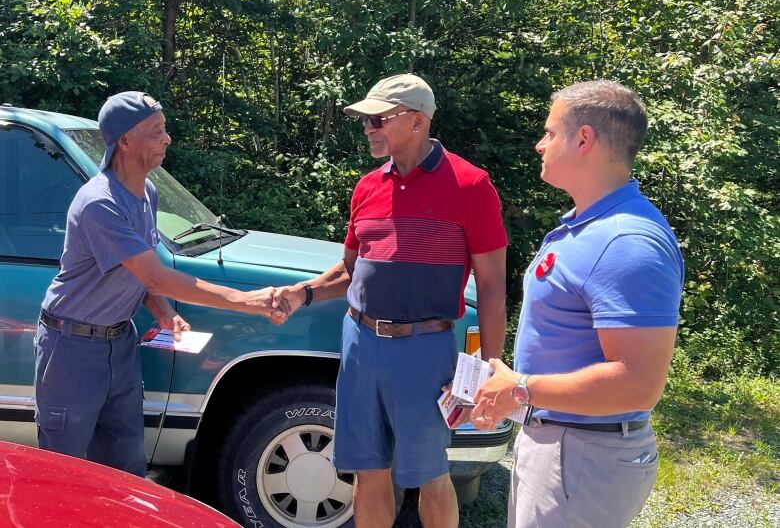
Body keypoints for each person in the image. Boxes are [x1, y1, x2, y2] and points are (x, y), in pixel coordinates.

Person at [271, 74, 508, 528]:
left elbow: (493, 286)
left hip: (425, 349)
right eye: (366, 119)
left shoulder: (471, 185)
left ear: (417, 121)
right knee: (368, 471)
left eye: (378, 118)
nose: (368, 127)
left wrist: (486, 372)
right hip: (360, 343)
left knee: (431, 476)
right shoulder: (367, 187)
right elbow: (351, 268)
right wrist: (302, 294)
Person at [35, 91, 287, 477]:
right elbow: (155, 274)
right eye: (156, 132)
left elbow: (142, 276)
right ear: (124, 141)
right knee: (63, 473)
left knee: (125, 469)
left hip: (118, 344)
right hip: (72, 349)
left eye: (164, 130)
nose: (167, 139)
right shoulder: (100, 203)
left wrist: (163, 311)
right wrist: (246, 300)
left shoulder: (146, 194)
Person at [470, 80, 685, 527]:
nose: (538, 144)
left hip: (584, 456)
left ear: (583, 139)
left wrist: (520, 388)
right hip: (567, 445)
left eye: (549, 132)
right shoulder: (589, 226)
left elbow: (638, 383)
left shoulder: (626, 241)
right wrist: (516, 392)